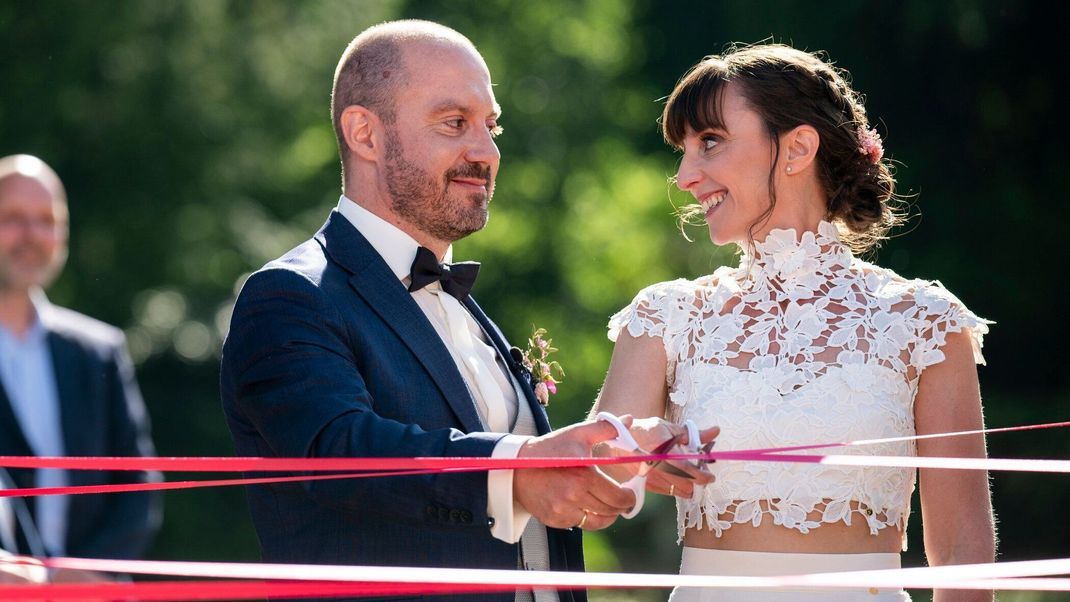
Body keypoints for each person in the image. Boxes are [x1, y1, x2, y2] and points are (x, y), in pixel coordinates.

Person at [219, 20, 717, 602]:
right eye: (455, 123)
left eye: (491, 125)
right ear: (365, 133)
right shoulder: (289, 296)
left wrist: (608, 458)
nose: (486, 152)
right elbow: (342, 452)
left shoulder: (466, 308)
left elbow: (522, 492)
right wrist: (522, 470)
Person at [591, 44, 995, 601]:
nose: (685, 176)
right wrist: (634, 448)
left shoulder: (924, 322)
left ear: (798, 147)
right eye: (682, 152)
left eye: (710, 142)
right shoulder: (665, 316)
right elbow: (591, 485)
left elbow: (961, 550)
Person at [0, 155, 161, 569]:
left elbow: (137, 487)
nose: (32, 235)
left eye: (47, 220)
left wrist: (86, 577)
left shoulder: (97, 350)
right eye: (13, 217)